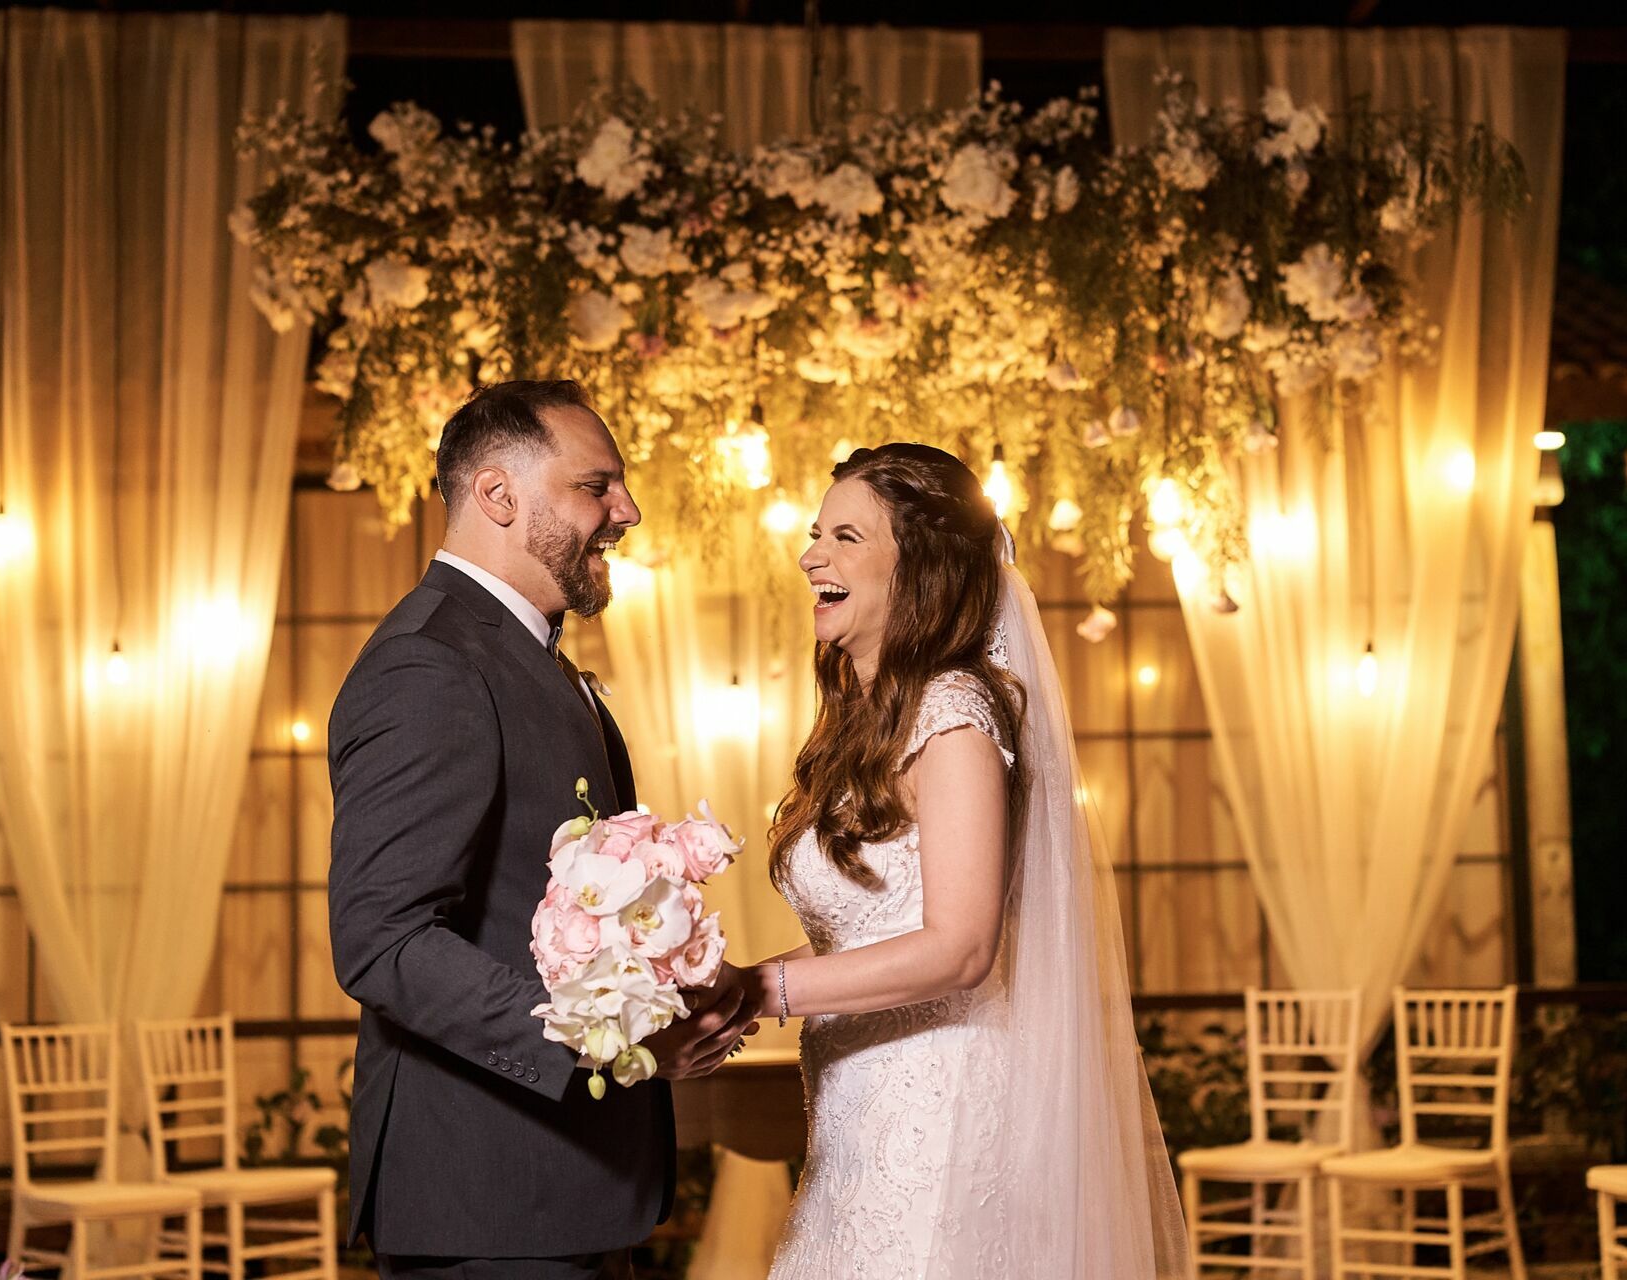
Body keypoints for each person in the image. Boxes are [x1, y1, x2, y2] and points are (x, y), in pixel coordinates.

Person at [327, 380, 755, 1280]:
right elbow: (386, 941)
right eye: (596, 486)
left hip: (560, 1186)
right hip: (487, 1196)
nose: (627, 511)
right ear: (498, 496)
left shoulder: (527, 655)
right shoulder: (428, 662)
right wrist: (617, 1035)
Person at [746, 442, 1190, 1278]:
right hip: (856, 1123)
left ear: (918, 567)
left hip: (942, 1118)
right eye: (815, 535)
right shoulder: (869, 722)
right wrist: (735, 987)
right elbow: (873, 932)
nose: (811, 557)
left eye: (845, 537)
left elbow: (959, 946)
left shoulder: (952, 714)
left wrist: (764, 990)